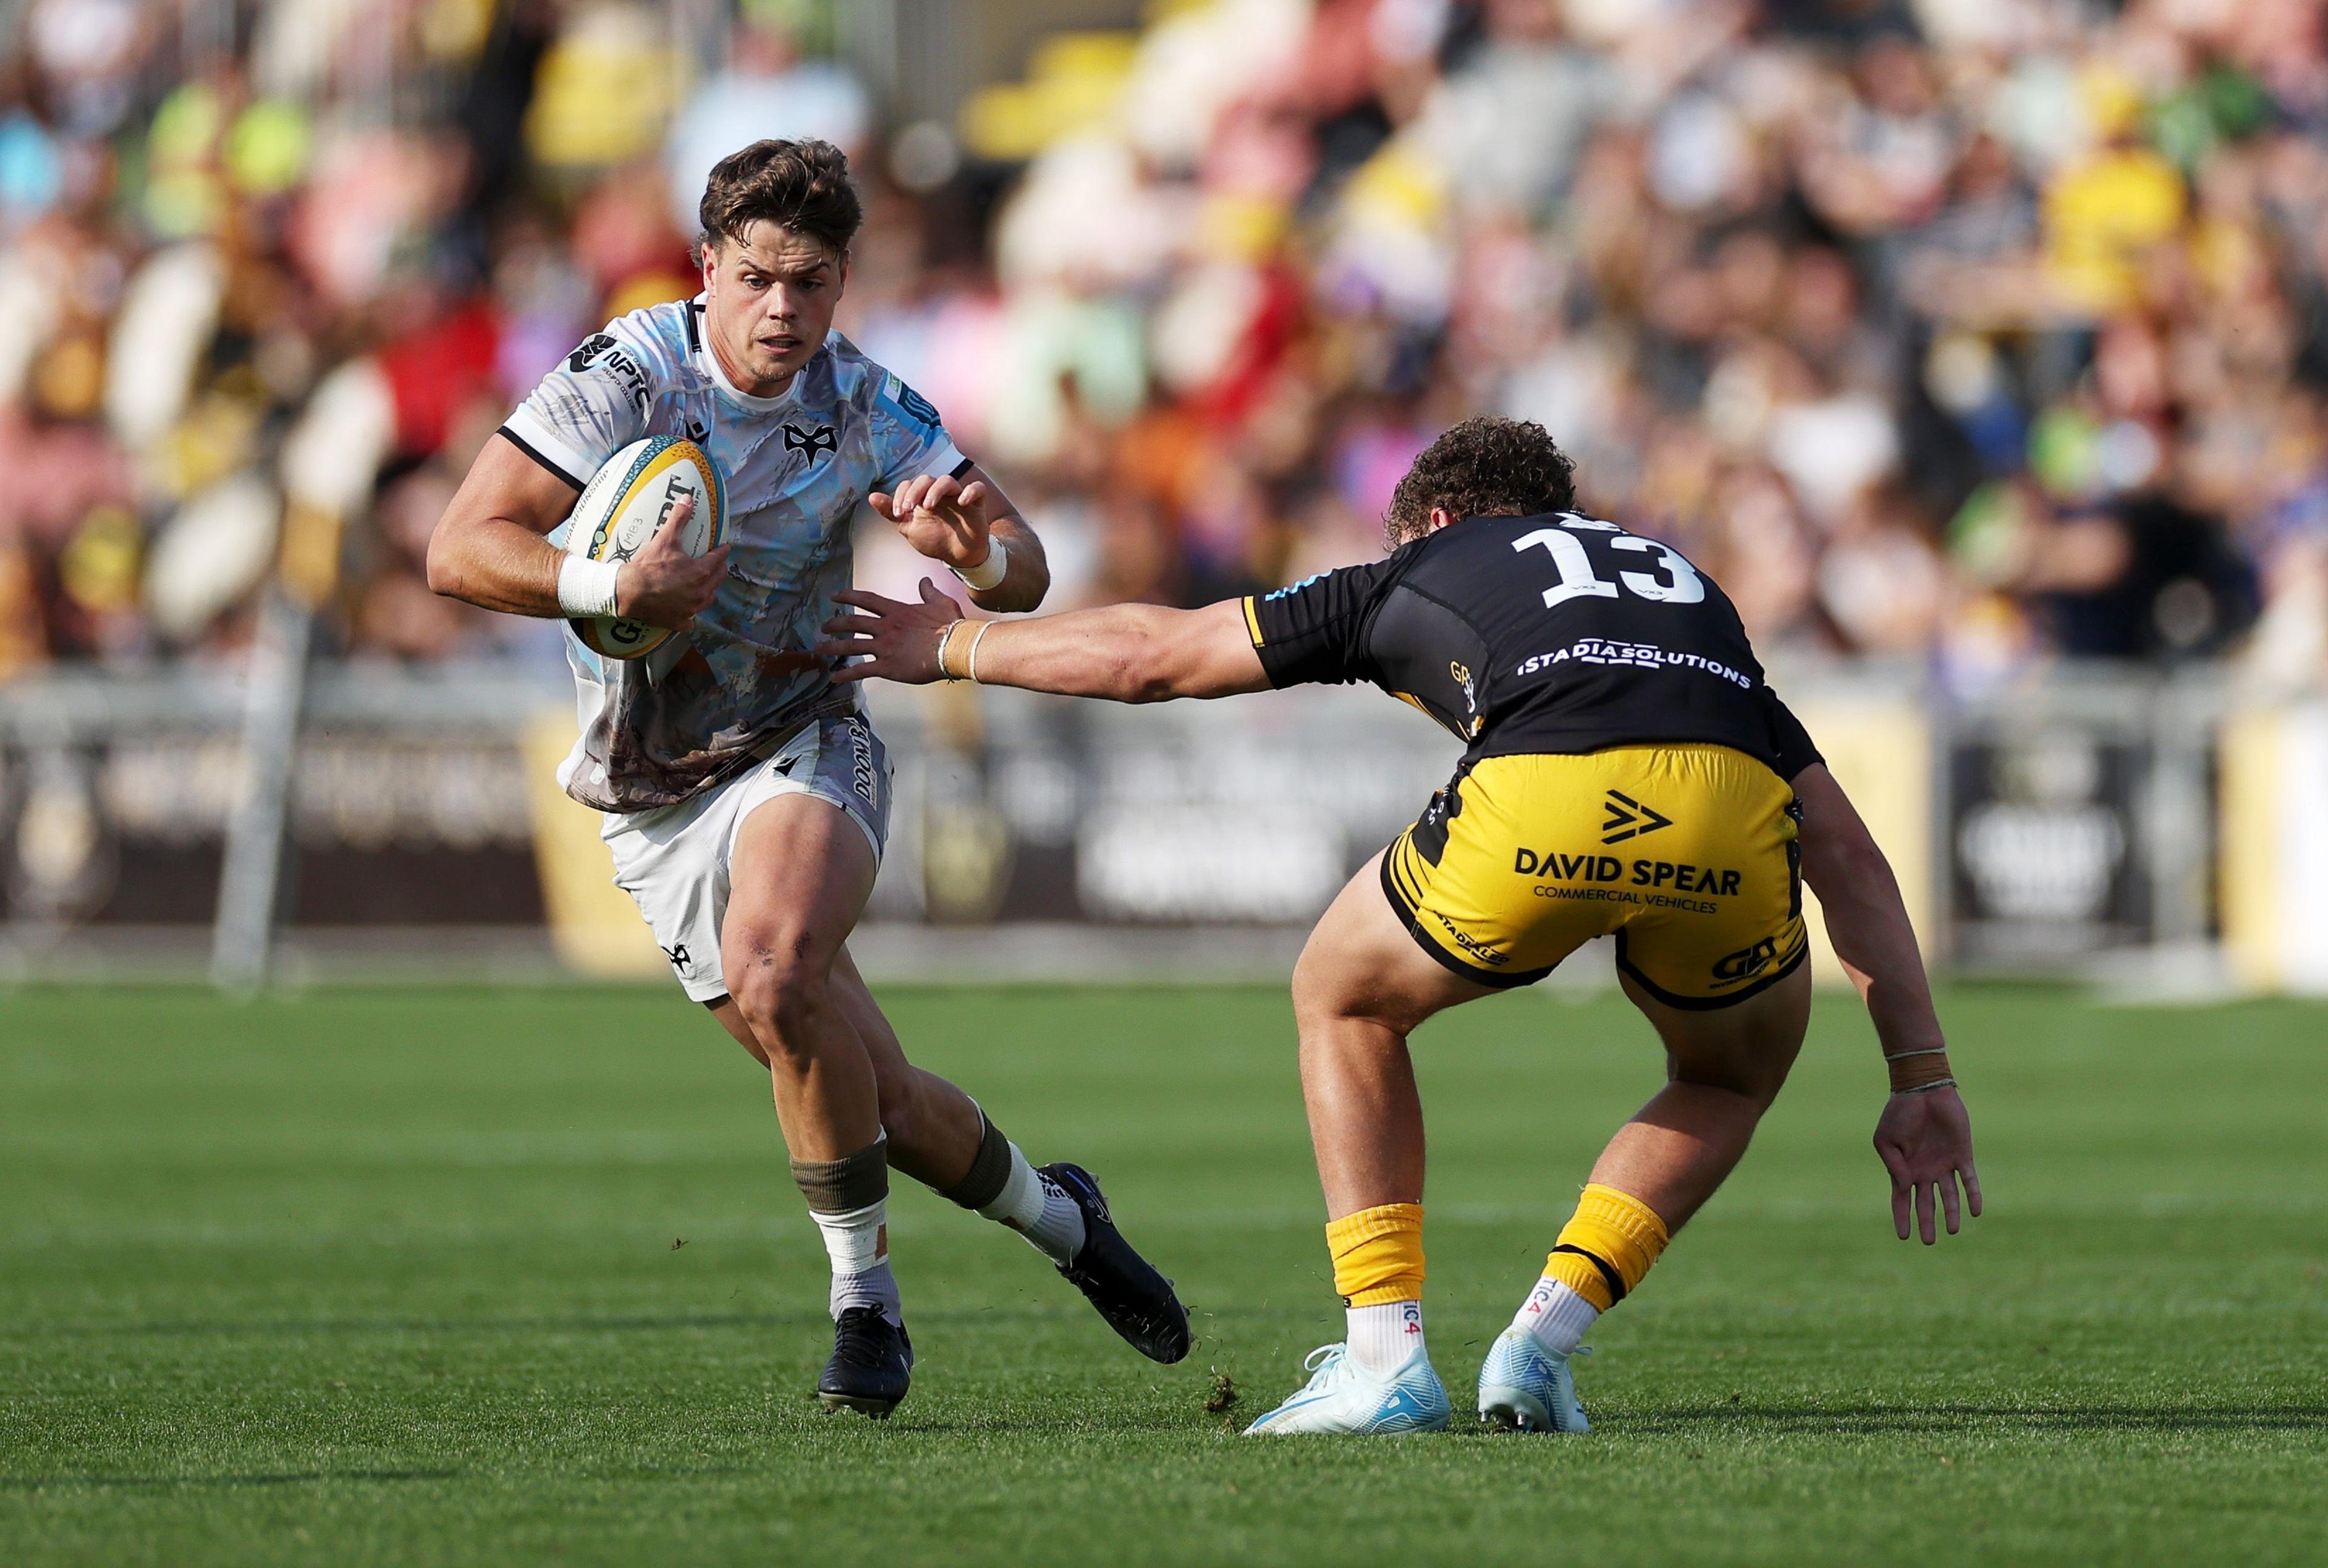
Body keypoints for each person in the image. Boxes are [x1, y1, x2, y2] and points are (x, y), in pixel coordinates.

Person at [818, 416, 1980, 1435]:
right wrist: (1919, 1070)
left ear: (1429, 518)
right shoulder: (1674, 580)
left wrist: (959, 644)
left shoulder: (1422, 568)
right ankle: (1541, 1341)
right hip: (1728, 803)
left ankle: (1385, 1357)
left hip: (1545, 794)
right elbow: (1847, 850)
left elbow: (1159, 659)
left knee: (1344, 991)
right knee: (1728, 1076)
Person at [425, 138, 1190, 1419]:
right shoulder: (628, 372)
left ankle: (864, 1310)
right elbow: (460, 548)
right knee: (872, 1093)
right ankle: (1065, 1221)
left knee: (780, 972)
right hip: (652, 793)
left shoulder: (866, 403)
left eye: (816, 282)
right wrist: (614, 587)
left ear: (845, 282)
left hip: (806, 737)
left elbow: (1027, 565)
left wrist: (979, 562)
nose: (785, 309)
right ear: (708, 267)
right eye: (763, 278)